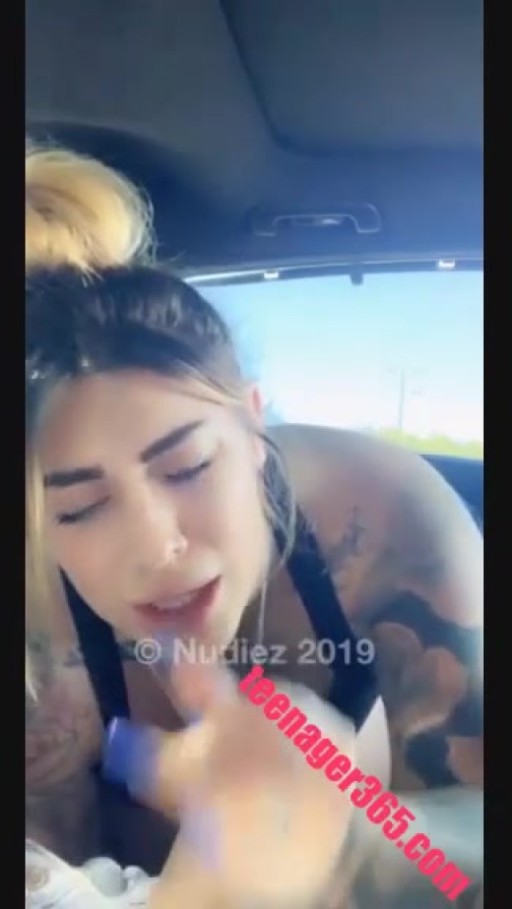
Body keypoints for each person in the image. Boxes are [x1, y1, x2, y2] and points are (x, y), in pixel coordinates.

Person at [26, 144, 483, 905]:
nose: (158, 545)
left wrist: (356, 844)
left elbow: (469, 844)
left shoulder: (383, 516)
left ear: (253, 423)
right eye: (80, 508)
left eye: (188, 467)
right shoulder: (35, 611)